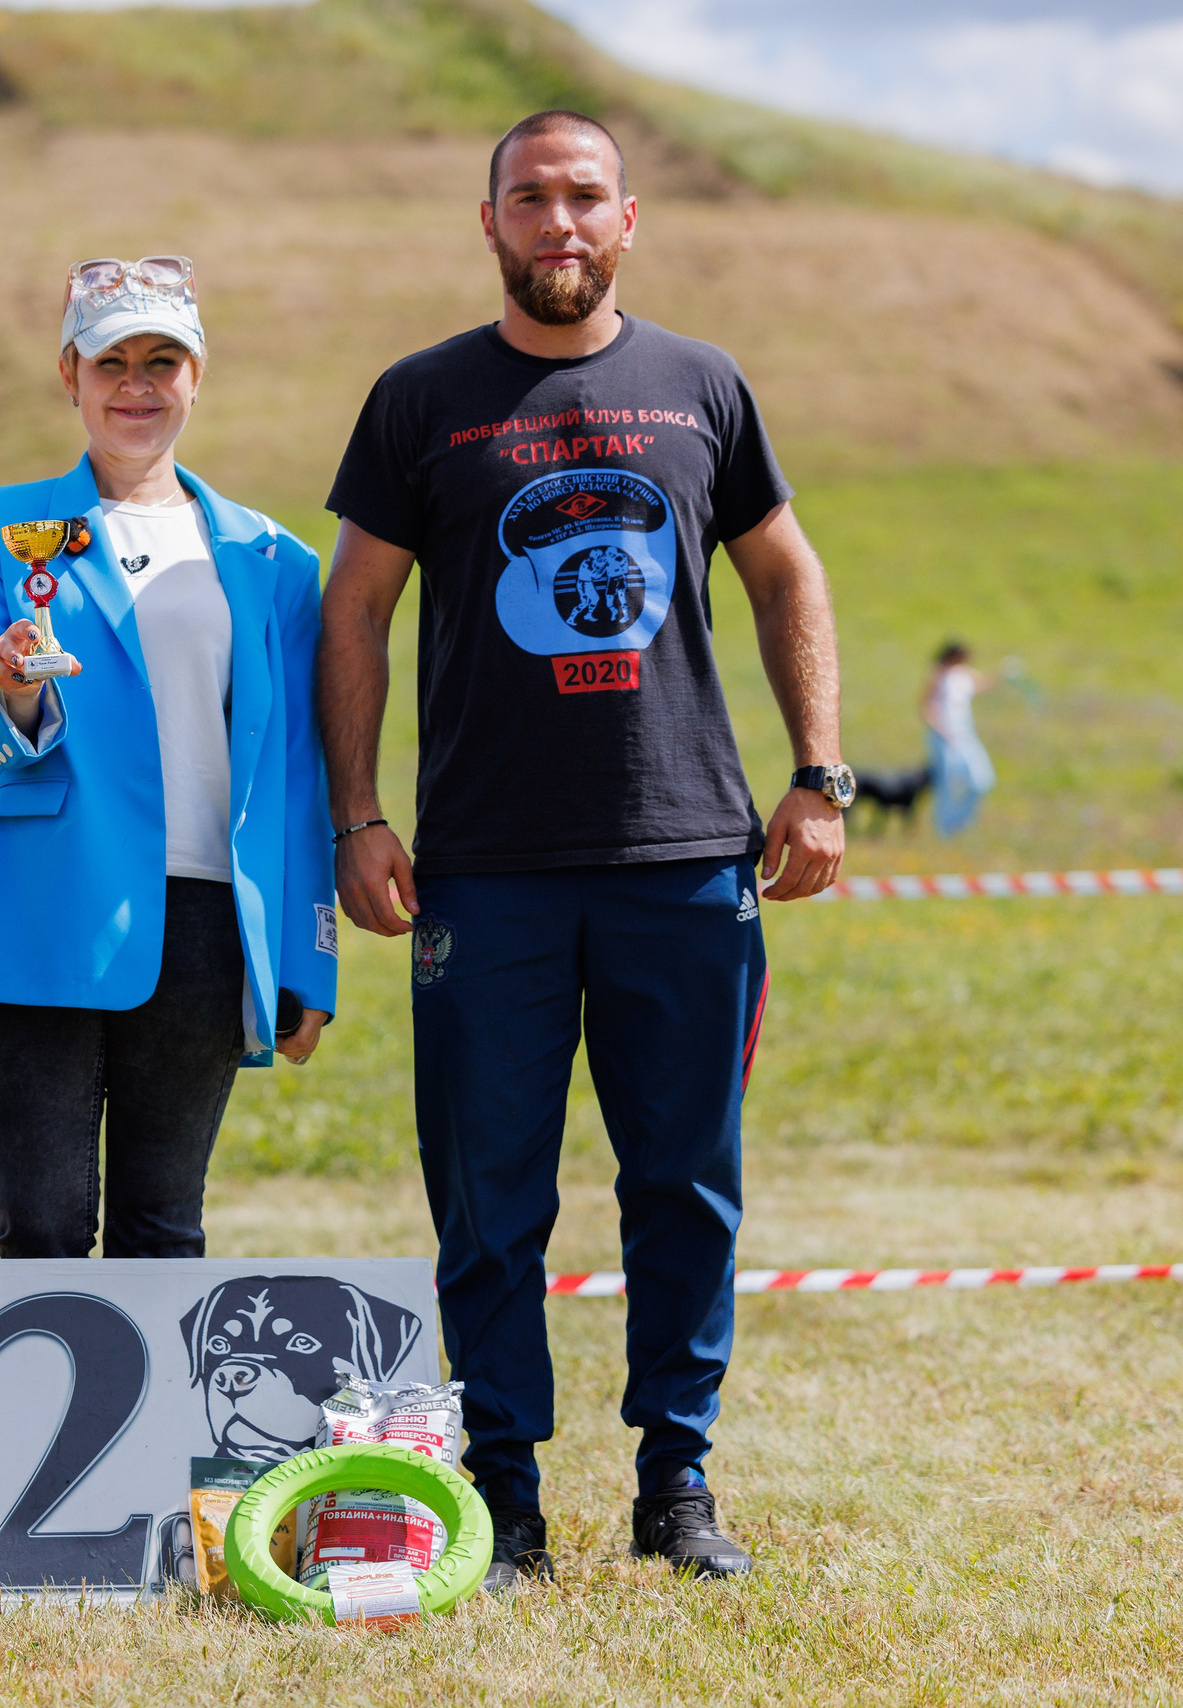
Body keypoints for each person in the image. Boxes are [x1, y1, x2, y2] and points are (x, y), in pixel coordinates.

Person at [317, 113, 852, 1583]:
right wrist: (358, 815)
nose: (559, 220)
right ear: (487, 221)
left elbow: (786, 572)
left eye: (585, 196)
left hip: (685, 858)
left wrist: (818, 775)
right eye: (530, 197)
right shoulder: (419, 399)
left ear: (628, 221)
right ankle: (502, 1495)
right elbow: (353, 611)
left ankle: (677, 1480)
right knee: (490, 1197)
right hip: (482, 870)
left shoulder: (703, 386)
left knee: (684, 1182)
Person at [0, 255, 337, 1260]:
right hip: (41, 906)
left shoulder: (277, 560)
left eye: (162, 360)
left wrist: (307, 958)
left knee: (165, 1228)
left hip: (208, 920)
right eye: (110, 361)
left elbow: (297, 772)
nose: (136, 385)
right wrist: (14, 689)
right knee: (40, 1226)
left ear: (198, 376)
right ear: (67, 374)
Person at [923, 639, 995, 836]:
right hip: (943, 737)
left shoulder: (964, 673)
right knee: (946, 784)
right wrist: (941, 729)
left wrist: (1004, 672)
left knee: (981, 780)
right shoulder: (937, 674)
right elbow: (926, 706)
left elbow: (982, 685)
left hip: (965, 735)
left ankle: (960, 823)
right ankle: (944, 830)